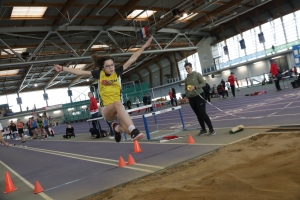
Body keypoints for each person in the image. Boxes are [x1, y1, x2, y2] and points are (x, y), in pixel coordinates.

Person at [54, 36, 153, 142]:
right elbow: (80, 72)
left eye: (112, 65)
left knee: (127, 130)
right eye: (108, 66)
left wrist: (144, 46)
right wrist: (63, 68)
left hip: (119, 108)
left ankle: (116, 128)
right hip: (107, 109)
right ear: (103, 68)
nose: (111, 68)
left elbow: (132, 59)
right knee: (119, 106)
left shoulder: (118, 72)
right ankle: (134, 131)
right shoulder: (100, 74)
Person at [184, 62, 215, 136]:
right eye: (186, 69)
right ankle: (203, 129)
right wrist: (188, 92)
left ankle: (211, 129)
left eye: (188, 68)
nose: (187, 70)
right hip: (191, 98)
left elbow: (203, 83)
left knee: (202, 113)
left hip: (199, 95)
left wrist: (195, 87)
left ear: (191, 68)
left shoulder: (197, 74)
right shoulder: (186, 79)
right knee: (198, 114)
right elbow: (185, 89)